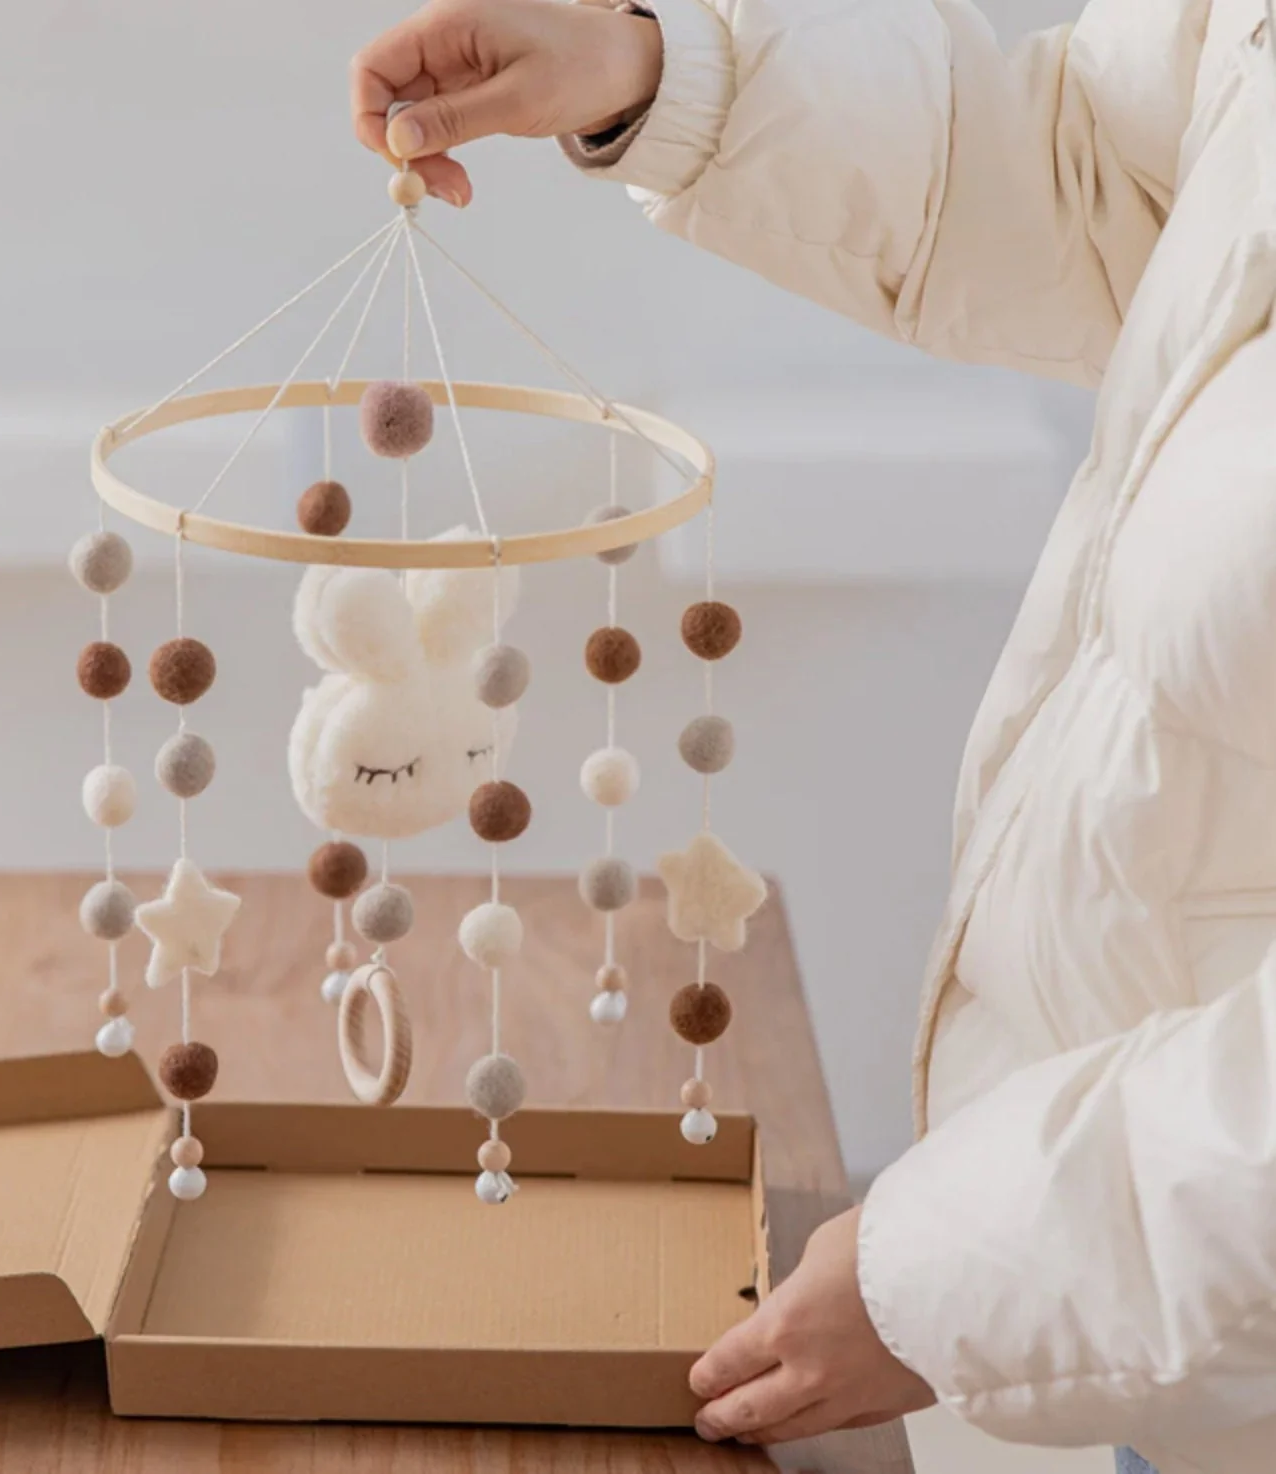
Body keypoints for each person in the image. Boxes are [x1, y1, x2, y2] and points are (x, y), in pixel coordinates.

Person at [350, 3, 1276, 1473]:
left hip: (1173, 1296)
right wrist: (660, 80)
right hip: (1109, 1300)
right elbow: (1116, 180)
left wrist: (961, 1279)